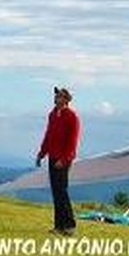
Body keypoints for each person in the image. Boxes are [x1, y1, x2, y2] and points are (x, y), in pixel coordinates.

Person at [37, 86, 81, 236]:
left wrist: (64, 159)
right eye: (56, 96)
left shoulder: (72, 117)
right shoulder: (53, 115)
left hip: (64, 159)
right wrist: (41, 153)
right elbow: (48, 136)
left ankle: (69, 226)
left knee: (62, 191)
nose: (56, 98)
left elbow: (72, 141)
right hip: (53, 157)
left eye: (60, 96)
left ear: (66, 100)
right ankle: (58, 226)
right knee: (56, 192)